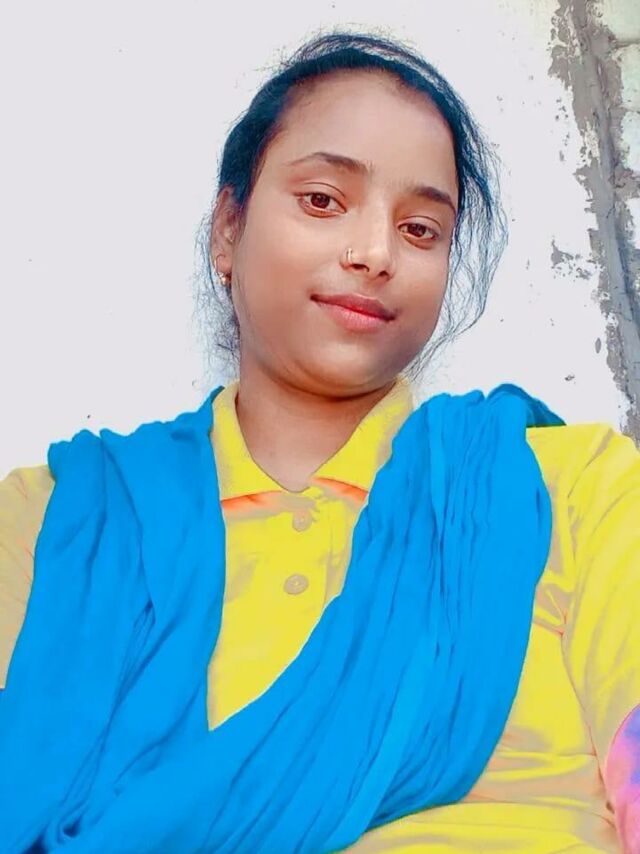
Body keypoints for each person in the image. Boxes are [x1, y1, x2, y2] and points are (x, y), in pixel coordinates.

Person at [0, 29, 639, 854]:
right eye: (323, 200)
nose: (374, 253)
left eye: (421, 230)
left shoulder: (568, 487)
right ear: (227, 230)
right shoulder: (55, 522)